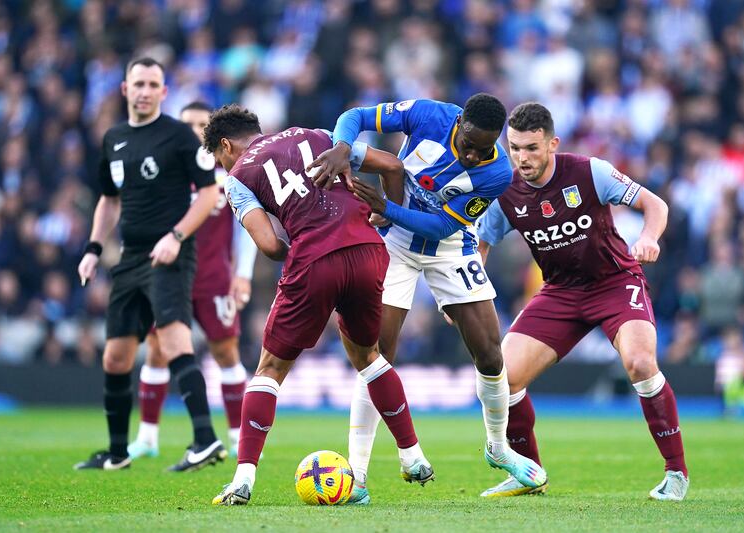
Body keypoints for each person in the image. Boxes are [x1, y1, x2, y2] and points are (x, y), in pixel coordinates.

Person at [308, 94, 547, 504]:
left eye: (484, 148)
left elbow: (439, 227)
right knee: (376, 355)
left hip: (450, 247)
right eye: (468, 144)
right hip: (394, 244)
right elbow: (355, 115)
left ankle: (497, 448)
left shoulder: (497, 173)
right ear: (459, 125)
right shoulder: (428, 114)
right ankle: (358, 476)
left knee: (490, 354)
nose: (473, 156)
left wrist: (384, 206)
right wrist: (343, 149)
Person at [203, 104, 434, 506]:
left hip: (313, 260)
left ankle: (242, 479)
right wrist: (386, 218)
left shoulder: (238, 177)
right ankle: (412, 455)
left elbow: (270, 245)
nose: (224, 167)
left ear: (226, 146)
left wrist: (303, 248)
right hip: (368, 250)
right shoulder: (320, 134)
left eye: (220, 160)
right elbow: (393, 166)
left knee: (270, 369)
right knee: (370, 357)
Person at [477, 102, 688, 500]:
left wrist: (648, 238)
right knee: (502, 379)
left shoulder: (590, 171)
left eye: (532, 148)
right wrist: (469, 283)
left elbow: (654, 204)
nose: (522, 158)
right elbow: (481, 242)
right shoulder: (504, 190)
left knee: (641, 363)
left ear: (552, 143)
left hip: (614, 281)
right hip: (560, 291)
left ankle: (676, 472)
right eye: (515, 148)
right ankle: (528, 473)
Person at [74, 58, 225, 472]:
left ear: (163, 91)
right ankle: (118, 452)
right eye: (137, 83)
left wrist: (176, 238)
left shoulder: (178, 136)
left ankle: (205, 440)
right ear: (125, 89)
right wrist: (92, 248)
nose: (144, 90)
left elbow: (211, 195)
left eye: (152, 84)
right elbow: (109, 199)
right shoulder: (114, 138)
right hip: (130, 258)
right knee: (116, 359)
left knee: (175, 344)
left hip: (170, 256)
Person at [127, 102, 257, 460]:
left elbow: (247, 227)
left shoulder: (229, 171)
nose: (194, 129)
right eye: (188, 123)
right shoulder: (164, 169)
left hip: (215, 278)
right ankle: (147, 439)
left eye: (202, 124)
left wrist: (242, 276)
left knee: (225, 352)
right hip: (168, 277)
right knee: (157, 348)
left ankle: (236, 437)